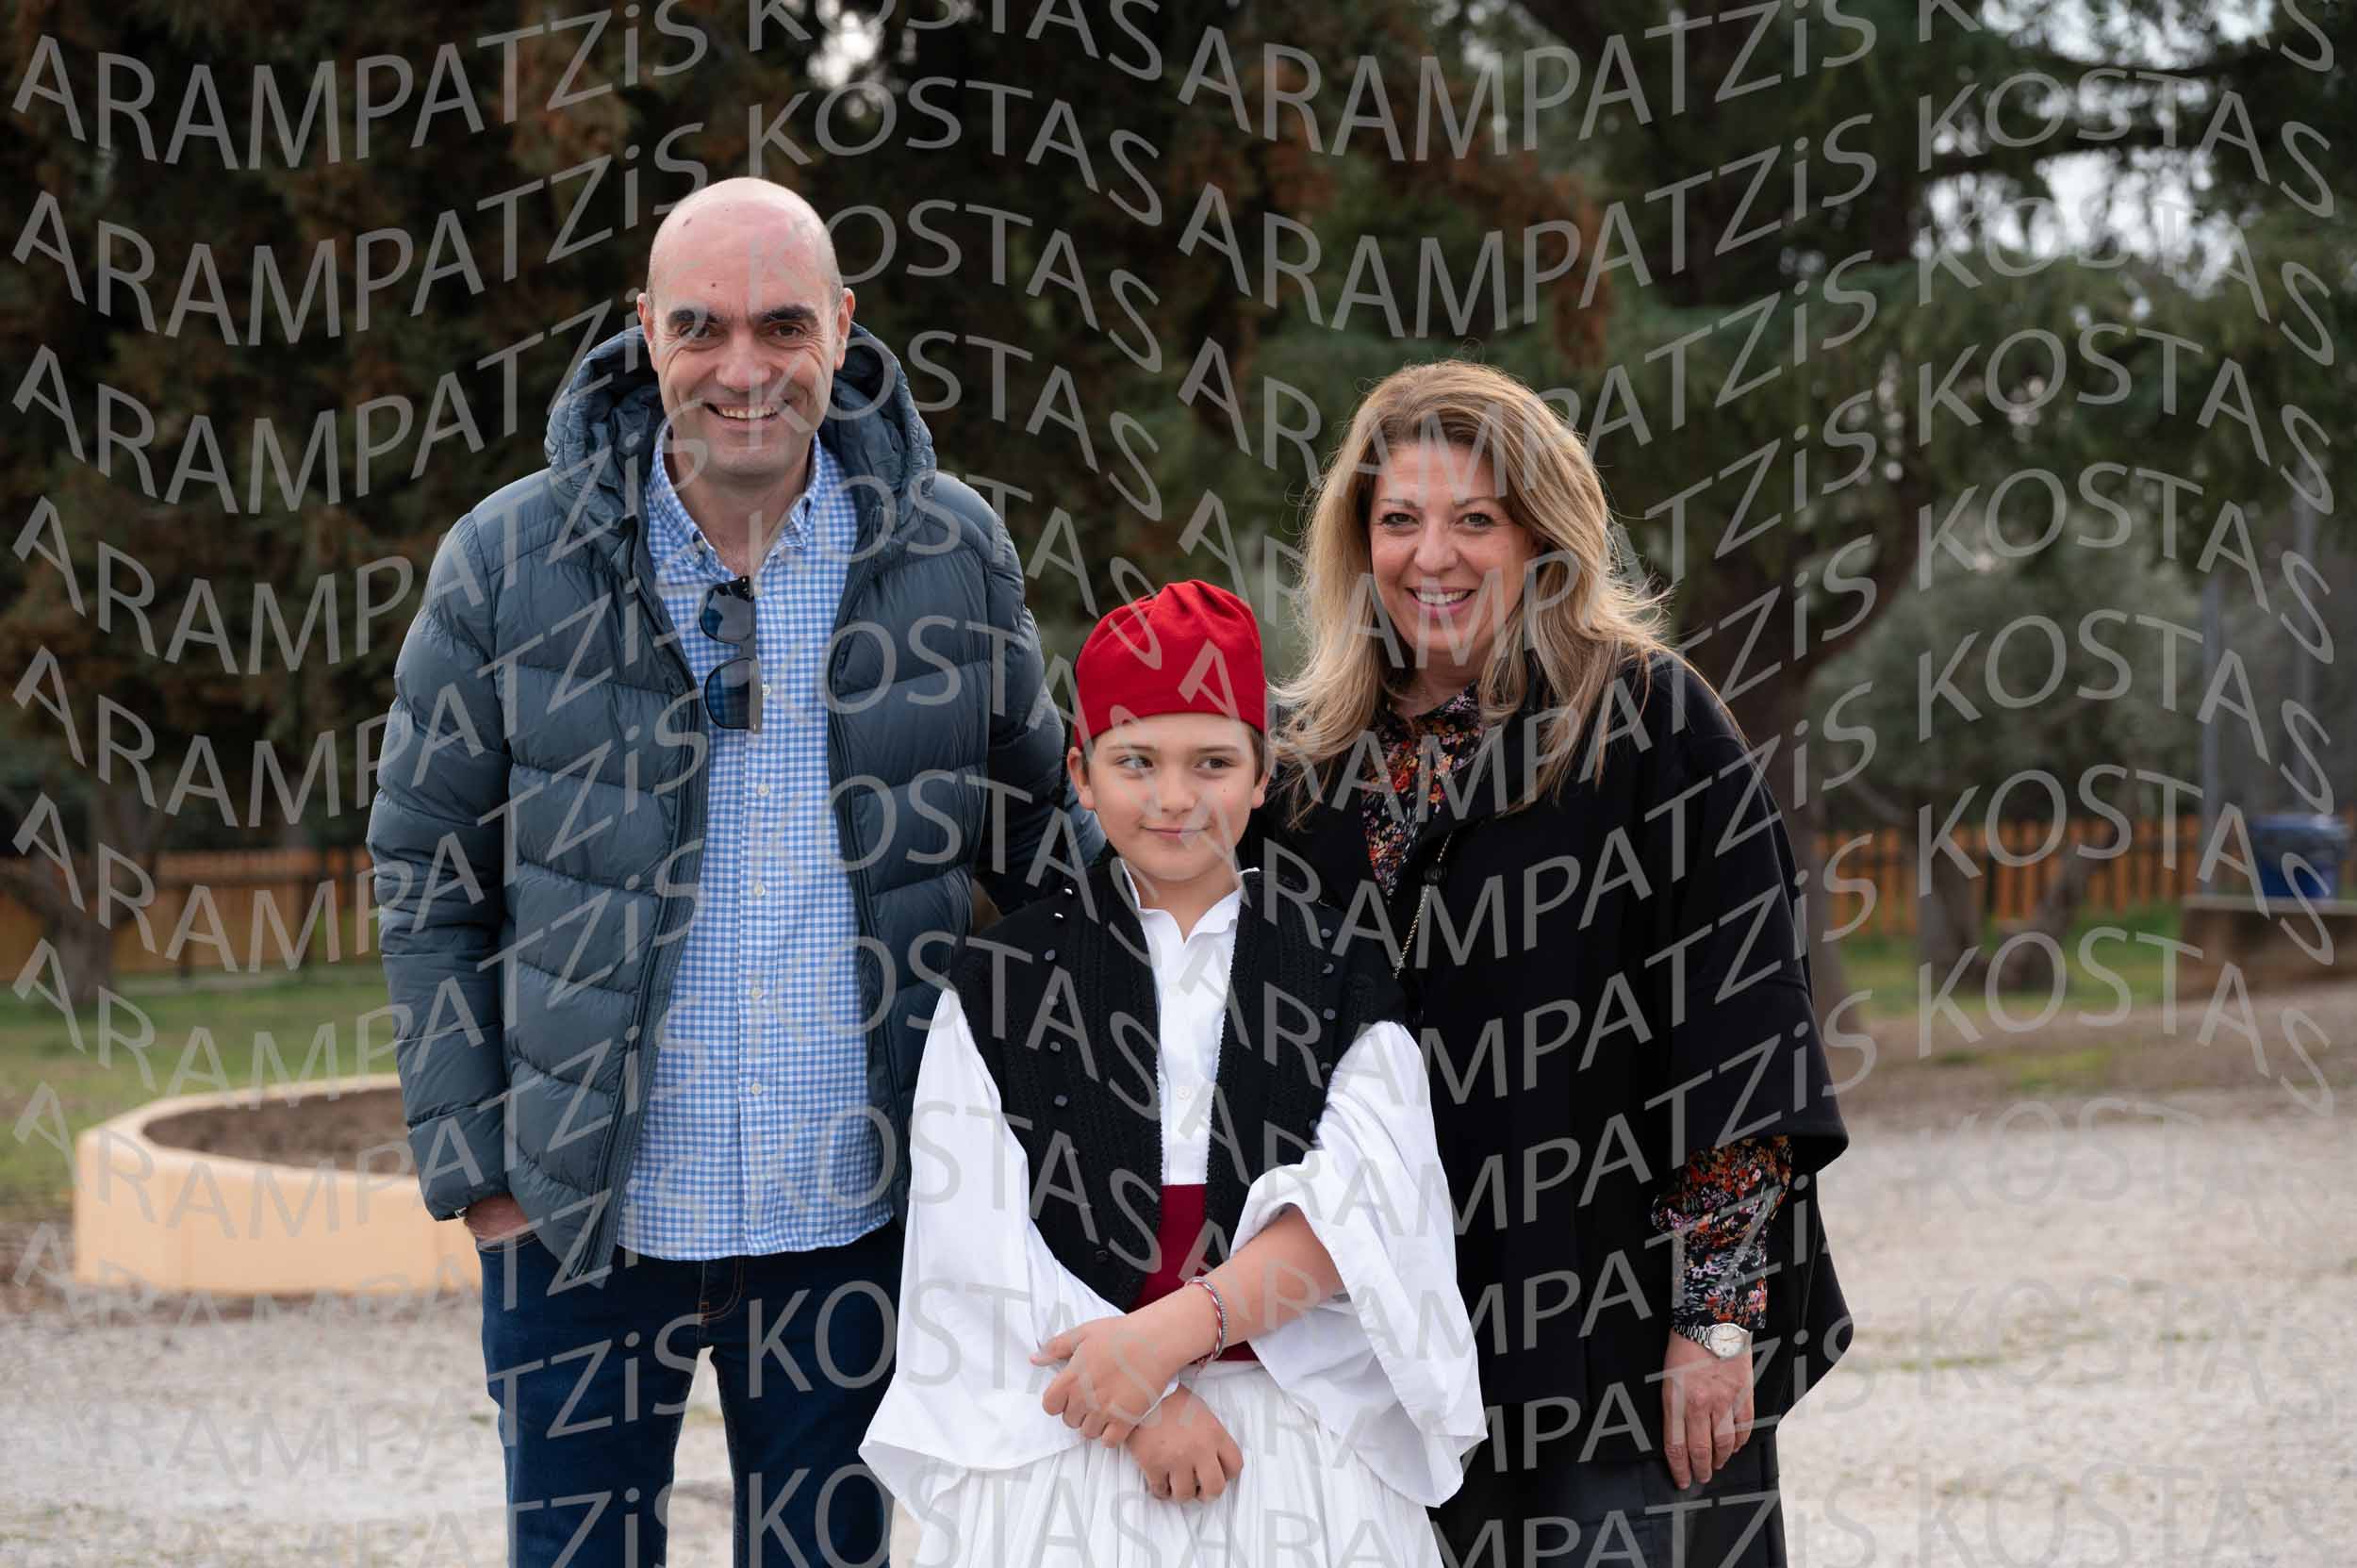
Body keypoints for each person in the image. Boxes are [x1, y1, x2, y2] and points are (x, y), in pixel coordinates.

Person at [366, 177, 1102, 1568]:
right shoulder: (507, 560)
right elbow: (424, 868)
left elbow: (1045, 853)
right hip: (580, 1227)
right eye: (701, 326)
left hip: (854, 1227)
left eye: (782, 326)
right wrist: (484, 1181)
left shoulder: (951, 552)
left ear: (844, 326)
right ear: (644, 328)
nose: (743, 368)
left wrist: (1222, 921)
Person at [1240, 361, 1851, 1568]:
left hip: (1614, 1345)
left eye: (1475, 518)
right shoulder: (1307, 775)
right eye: (1399, 520)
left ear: (1541, 538)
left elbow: (1738, 1028)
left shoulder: (1648, 724)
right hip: (1387, 1362)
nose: (1433, 556)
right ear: (1358, 545)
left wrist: (1716, 1321)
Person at [860, 580, 1486, 1566]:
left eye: (1212, 762)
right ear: (1081, 771)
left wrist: (1168, 1341)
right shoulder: (1004, 974)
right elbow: (971, 1229)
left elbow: (1370, 1206)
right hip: (1072, 1419)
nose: (1175, 798)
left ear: (1262, 772)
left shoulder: (1335, 964)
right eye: (1136, 761)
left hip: (1291, 1423)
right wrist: (1141, 1395)